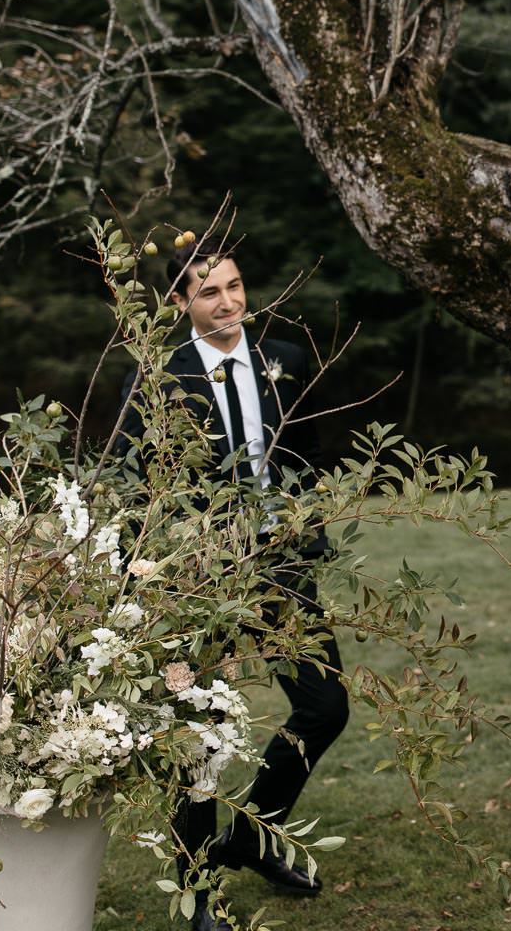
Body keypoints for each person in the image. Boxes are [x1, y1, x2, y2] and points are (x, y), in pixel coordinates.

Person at [113, 242, 348, 931]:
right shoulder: (159, 377)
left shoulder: (287, 360)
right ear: (180, 303)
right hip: (199, 575)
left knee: (325, 706)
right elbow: (133, 480)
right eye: (209, 291)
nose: (228, 302)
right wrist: (143, 575)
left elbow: (311, 452)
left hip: (280, 562)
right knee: (201, 732)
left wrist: (307, 521)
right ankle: (197, 888)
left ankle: (249, 837)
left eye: (235, 286)